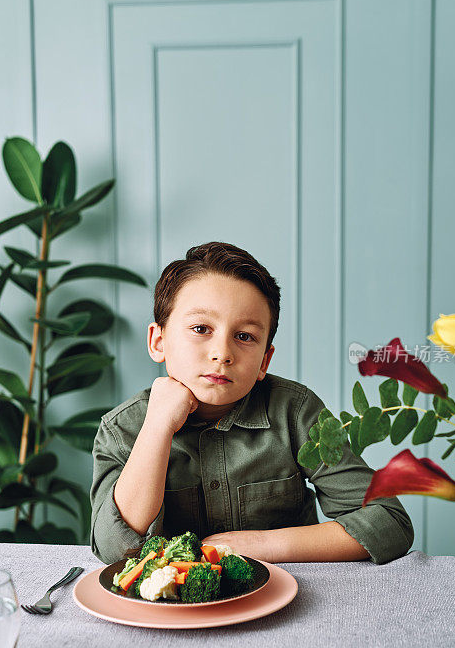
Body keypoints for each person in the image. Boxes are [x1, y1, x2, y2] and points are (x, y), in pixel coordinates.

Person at [90, 241, 413, 565]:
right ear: (158, 341)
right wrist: (158, 425)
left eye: (244, 336)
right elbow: (115, 552)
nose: (223, 353)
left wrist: (263, 545)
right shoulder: (121, 430)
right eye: (201, 329)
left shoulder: (295, 413)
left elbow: (389, 522)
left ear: (264, 361)